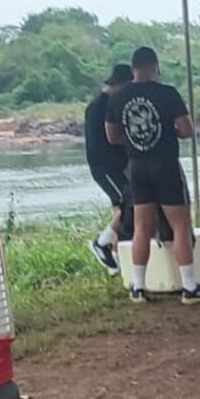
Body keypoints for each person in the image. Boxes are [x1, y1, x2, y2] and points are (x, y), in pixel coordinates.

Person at [105, 46, 200, 306]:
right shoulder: (167, 93)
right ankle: (189, 287)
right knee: (180, 225)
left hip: (136, 165)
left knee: (141, 227)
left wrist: (135, 139)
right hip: (164, 163)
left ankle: (137, 286)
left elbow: (111, 136)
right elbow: (187, 129)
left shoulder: (118, 98)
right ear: (154, 66)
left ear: (133, 67)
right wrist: (168, 132)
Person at [85, 63, 133, 275]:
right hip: (105, 166)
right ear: (119, 84)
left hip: (117, 165)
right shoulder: (99, 107)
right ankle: (102, 242)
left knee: (120, 208)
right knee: (128, 203)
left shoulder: (111, 103)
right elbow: (104, 142)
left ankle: (116, 257)